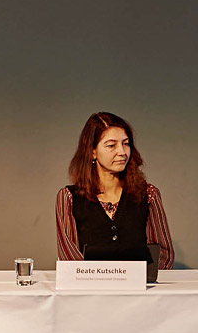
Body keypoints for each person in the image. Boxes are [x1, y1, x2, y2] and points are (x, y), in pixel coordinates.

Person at [56, 112, 175, 269]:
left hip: (141, 290)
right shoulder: (69, 198)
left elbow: (163, 255)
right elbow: (70, 259)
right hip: (90, 290)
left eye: (126, 144)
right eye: (111, 145)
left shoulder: (149, 194)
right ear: (92, 150)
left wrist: (135, 281)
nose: (122, 152)